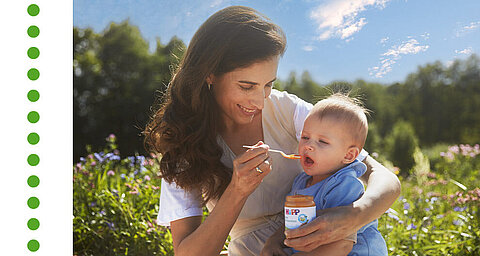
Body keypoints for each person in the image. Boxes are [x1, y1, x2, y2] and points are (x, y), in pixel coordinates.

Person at [143, 6, 400, 256]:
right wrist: (237, 190)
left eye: (268, 85)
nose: (259, 101)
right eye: (246, 86)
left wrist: (355, 216)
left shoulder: (286, 109)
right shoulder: (184, 143)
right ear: (209, 75)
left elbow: (384, 178)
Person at [262, 93, 388, 256]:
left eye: (322, 142)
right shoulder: (301, 181)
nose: (308, 146)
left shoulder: (344, 185)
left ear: (349, 155)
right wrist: (273, 241)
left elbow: (341, 246)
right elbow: (291, 219)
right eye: (305, 137)